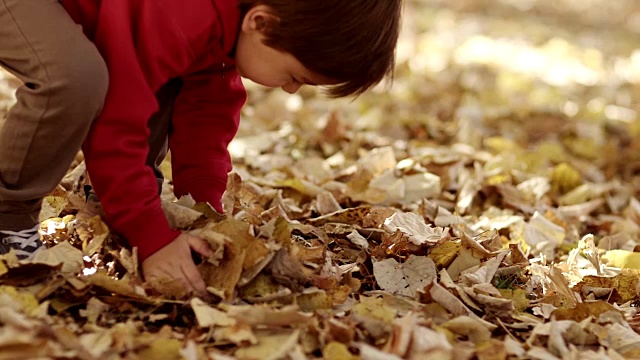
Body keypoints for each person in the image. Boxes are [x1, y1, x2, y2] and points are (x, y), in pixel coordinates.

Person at [0, 0, 402, 296]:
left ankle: (114, 200)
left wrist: (202, 213)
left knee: (157, 74)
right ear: (260, 22)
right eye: (295, 76)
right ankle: (8, 216)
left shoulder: (224, 25)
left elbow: (206, 114)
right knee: (74, 78)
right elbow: (117, 121)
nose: (291, 88)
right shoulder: (181, 15)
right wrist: (150, 235)